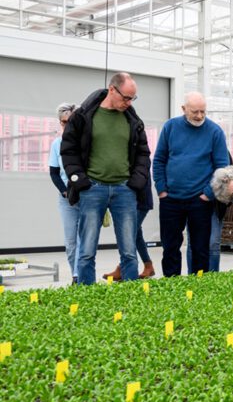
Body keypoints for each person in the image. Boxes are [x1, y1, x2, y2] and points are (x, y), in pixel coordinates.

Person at [60, 72, 151, 284]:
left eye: (132, 98)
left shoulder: (133, 121)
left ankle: (131, 297)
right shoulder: (84, 116)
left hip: (124, 191)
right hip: (92, 189)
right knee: (87, 251)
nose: (128, 103)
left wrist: (136, 182)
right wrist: (80, 180)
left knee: (129, 251)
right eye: (126, 97)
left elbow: (143, 154)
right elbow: (69, 149)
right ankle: (87, 296)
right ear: (112, 89)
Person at [153, 92, 229, 277]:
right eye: (195, 112)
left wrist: (208, 194)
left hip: (200, 200)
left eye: (203, 111)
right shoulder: (171, 127)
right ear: (184, 109)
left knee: (200, 248)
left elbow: (223, 167)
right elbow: (159, 159)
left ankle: (198, 286)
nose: (200, 116)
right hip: (171, 199)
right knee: (170, 247)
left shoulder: (215, 131)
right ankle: (172, 286)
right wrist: (162, 189)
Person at [186, 152, 233, 272]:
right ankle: (192, 280)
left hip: (214, 203)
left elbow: (229, 175)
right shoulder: (189, 151)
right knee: (193, 243)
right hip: (193, 199)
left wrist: (208, 193)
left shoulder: (221, 149)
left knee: (213, 244)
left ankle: (211, 281)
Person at [102, 171, 156, 280]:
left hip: (139, 201)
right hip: (132, 201)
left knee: (129, 234)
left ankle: (123, 268)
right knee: (136, 235)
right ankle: (148, 265)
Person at [49, 102, 80, 283]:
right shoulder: (57, 144)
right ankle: (75, 273)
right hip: (67, 199)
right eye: (64, 122)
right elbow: (54, 173)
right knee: (71, 242)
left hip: (86, 196)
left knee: (84, 240)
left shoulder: (85, 140)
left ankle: (79, 277)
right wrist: (64, 191)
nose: (67, 125)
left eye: (71, 121)